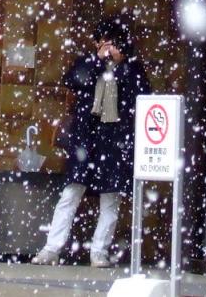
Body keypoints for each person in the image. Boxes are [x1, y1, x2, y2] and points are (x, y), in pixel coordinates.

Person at [32, 16, 152, 267]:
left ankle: (99, 251)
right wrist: (97, 61)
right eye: (102, 41)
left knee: (111, 197)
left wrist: (121, 64)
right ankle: (52, 248)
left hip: (115, 139)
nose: (106, 47)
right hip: (85, 138)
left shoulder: (132, 68)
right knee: (71, 192)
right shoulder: (87, 62)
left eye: (111, 42)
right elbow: (73, 81)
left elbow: (142, 96)